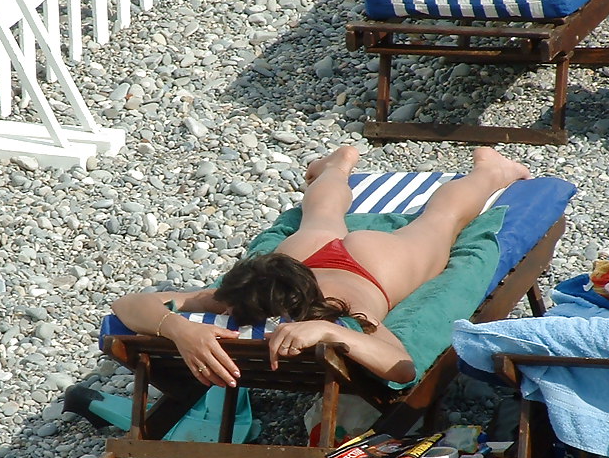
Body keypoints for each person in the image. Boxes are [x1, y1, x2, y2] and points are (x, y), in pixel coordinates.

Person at [111, 146, 531, 389]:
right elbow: (127, 303)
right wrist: (180, 328)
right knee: (438, 221)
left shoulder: (330, 312)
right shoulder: (318, 309)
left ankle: (337, 166)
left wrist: (329, 329)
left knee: (341, 215)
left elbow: (401, 366)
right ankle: (490, 169)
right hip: (351, 264)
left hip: (360, 266)